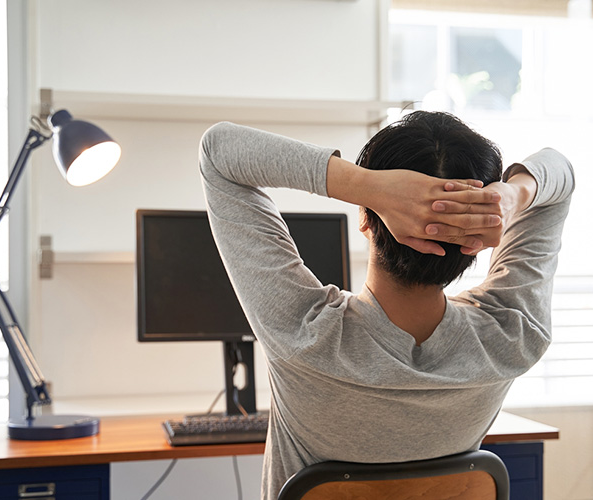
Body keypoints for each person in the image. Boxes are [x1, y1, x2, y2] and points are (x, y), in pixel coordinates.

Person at [198, 111, 574, 500]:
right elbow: (559, 173)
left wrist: (365, 186)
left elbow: (219, 152)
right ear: (479, 238)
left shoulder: (303, 333)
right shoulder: (512, 336)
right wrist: (510, 197)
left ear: (364, 217)